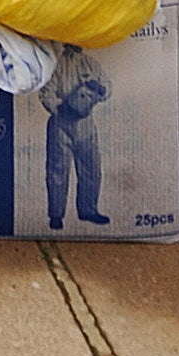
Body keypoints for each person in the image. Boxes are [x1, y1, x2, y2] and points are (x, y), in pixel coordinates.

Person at [41, 45, 109, 230]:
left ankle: (88, 210)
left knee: (91, 168)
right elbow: (46, 92)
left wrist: (100, 90)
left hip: (85, 123)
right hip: (61, 122)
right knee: (57, 170)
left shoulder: (91, 64)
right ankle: (56, 215)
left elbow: (108, 87)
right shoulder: (55, 65)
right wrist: (59, 107)